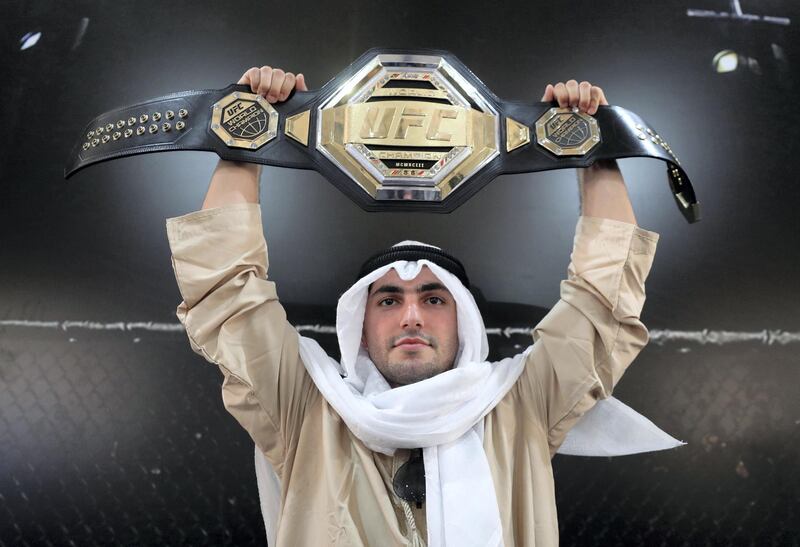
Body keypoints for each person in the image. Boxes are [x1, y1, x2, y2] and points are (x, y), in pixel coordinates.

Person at [165, 66, 668, 546]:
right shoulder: (307, 409)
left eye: (433, 298)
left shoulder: (521, 407)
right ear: (359, 324)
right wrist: (247, 137)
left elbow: (601, 304)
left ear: (464, 321)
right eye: (388, 299)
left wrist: (594, 147)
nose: (411, 316)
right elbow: (230, 292)